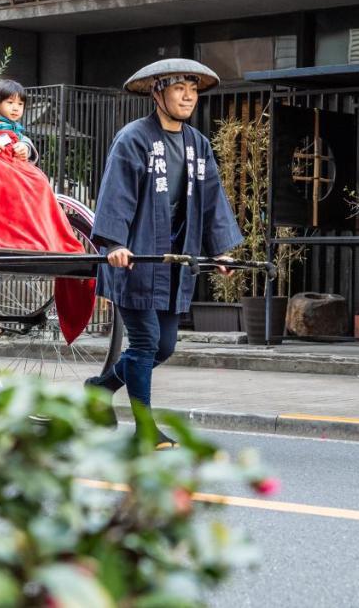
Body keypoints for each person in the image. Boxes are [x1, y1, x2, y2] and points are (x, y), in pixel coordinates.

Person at [86, 59, 243, 447]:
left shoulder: (198, 144)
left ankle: (100, 389)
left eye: (193, 88)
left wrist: (220, 250)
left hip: (174, 263)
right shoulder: (133, 138)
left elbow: (211, 201)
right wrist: (115, 243)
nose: (188, 95)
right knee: (144, 343)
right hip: (134, 259)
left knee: (165, 346)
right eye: (178, 87)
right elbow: (117, 194)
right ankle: (144, 429)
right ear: (158, 93)